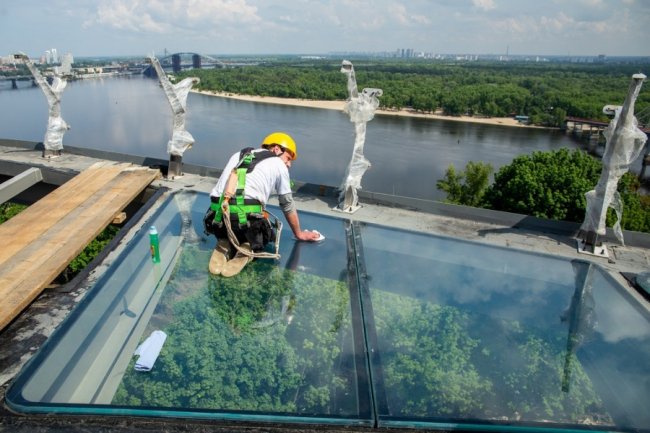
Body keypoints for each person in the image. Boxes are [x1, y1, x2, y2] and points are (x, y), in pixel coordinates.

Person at [204, 132, 321, 277]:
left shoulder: (239, 154)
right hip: (242, 221)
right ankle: (247, 246)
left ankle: (224, 241)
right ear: (276, 149)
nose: (289, 164)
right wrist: (299, 233)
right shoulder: (279, 165)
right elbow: (287, 204)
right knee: (265, 231)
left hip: (216, 218)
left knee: (234, 214)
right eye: (288, 158)